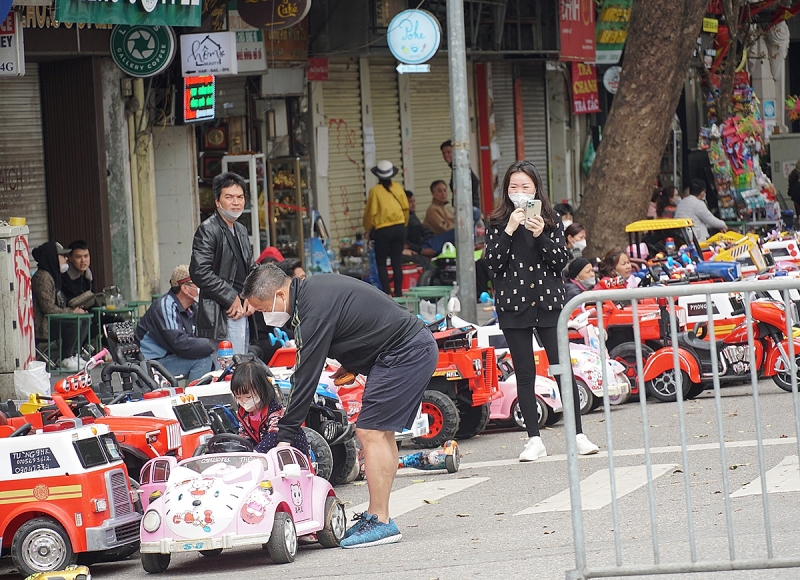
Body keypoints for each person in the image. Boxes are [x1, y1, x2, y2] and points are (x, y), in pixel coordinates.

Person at [241, 264, 438, 548]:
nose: (264, 316)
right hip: (407, 347)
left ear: (279, 297)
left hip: (404, 352)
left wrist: (284, 437)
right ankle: (377, 514)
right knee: (380, 434)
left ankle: (381, 520)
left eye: (261, 309)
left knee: (371, 432)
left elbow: (304, 377)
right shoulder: (313, 292)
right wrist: (354, 363)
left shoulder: (311, 311)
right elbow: (362, 320)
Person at [484, 160, 599, 462]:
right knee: (524, 372)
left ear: (536, 188)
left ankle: (578, 435)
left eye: (525, 187)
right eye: (513, 187)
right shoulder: (497, 222)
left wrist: (541, 235)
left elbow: (561, 260)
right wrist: (509, 230)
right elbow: (492, 264)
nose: (519, 192)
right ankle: (534, 439)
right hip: (513, 305)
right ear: (506, 191)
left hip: (548, 302)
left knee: (562, 368)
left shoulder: (550, 219)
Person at [190, 171, 256, 356]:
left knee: (241, 366)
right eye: (229, 197)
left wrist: (252, 295)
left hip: (242, 309)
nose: (236, 202)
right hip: (222, 312)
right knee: (229, 370)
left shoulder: (241, 229)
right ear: (217, 202)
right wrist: (231, 296)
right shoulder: (208, 229)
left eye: (240, 197)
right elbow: (199, 271)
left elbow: (250, 269)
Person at [135, 265, 215, 382]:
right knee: (203, 359)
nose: (201, 287)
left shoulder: (193, 307)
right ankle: (195, 396)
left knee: (209, 355)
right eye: (197, 283)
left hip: (168, 358)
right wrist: (212, 344)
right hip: (149, 364)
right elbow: (179, 343)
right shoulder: (166, 306)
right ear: (185, 288)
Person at [31, 241, 90, 371]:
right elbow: (48, 308)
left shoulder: (52, 275)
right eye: (62, 256)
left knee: (84, 319)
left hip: (52, 320)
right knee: (73, 321)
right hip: (43, 325)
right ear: (53, 257)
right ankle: (66, 357)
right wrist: (71, 312)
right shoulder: (43, 277)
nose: (66, 259)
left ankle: (75, 354)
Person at [231, 361, 309, 456]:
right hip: (264, 454)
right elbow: (244, 435)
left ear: (262, 390)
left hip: (291, 453)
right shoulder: (243, 413)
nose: (243, 401)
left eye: (248, 397)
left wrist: (257, 451)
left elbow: (275, 434)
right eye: (238, 397)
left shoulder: (274, 410)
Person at [364, 160, 409, 297]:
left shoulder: (375, 191)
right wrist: (403, 225)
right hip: (400, 227)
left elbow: (370, 213)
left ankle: (387, 293)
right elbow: (406, 208)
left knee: (381, 263)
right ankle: (399, 293)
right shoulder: (398, 187)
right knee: (396, 261)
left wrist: (368, 229)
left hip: (383, 230)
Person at [440, 139, 481, 221]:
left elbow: (475, 181)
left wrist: (466, 200)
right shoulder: (455, 168)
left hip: (468, 210)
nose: (446, 155)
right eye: (444, 153)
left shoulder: (460, 167)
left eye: (448, 152)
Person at [61, 240, 95, 308]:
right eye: (78, 257)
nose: (83, 260)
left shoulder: (89, 276)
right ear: (70, 258)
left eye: (86, 256)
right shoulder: (63, 277)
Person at [404, 190, 434, 255]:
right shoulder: (404, 219)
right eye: (410, 202)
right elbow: (405, 242)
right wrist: (421, 250)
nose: (413, 204)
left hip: (427, 240)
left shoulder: (412, 215)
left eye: (414, 201)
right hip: (421, 246)